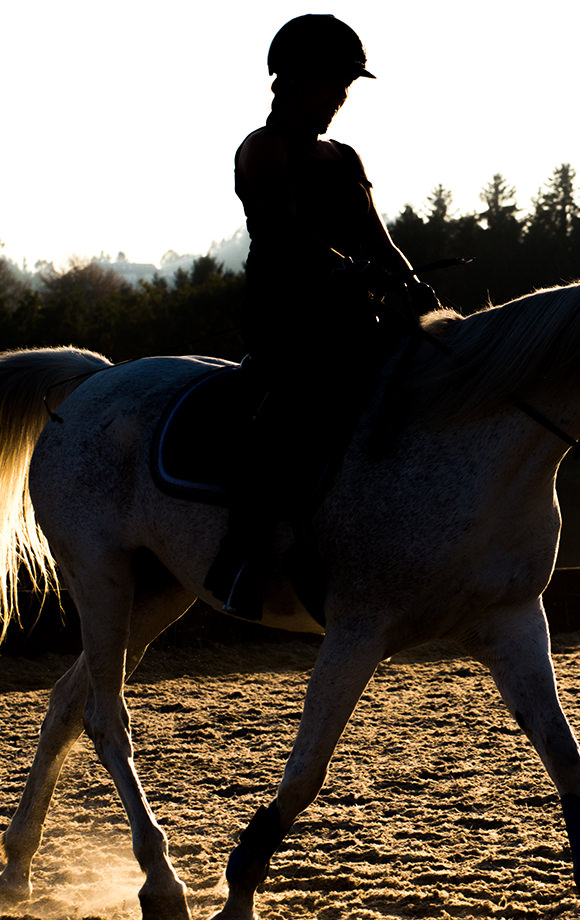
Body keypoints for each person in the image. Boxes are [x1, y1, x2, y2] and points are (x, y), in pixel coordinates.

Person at [206, 13, 434, 619]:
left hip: (355, 315)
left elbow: (380, 240)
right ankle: (243, 554)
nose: (340, 98)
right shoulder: (262, 149)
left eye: (346, 87)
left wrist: (418, 290)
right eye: (332, 84)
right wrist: (340, 272)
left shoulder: (345, 157)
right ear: (292, 80)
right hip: (288, 315)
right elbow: (284, 238)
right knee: (297, 401)